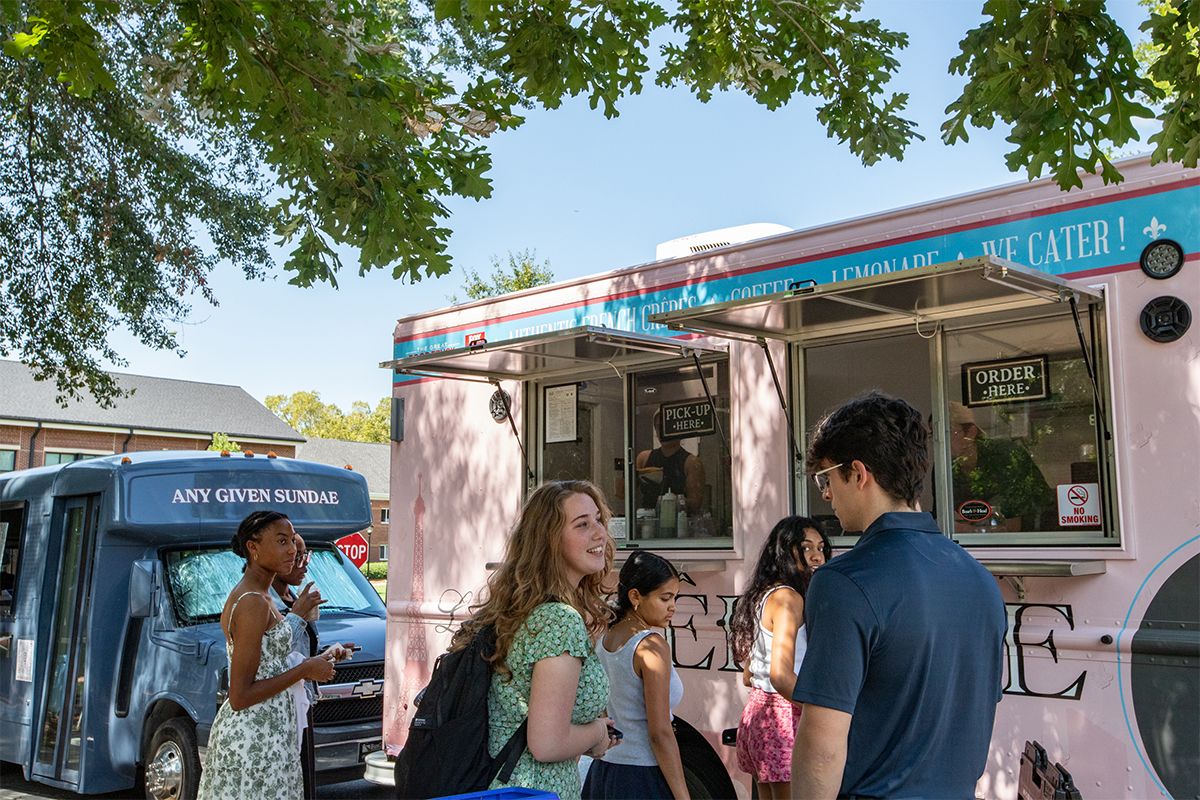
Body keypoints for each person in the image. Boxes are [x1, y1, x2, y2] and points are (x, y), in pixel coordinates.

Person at [790, 392, 1007, 800]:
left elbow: (821, 748)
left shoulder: (843, 582)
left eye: (826, 478)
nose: (825, 494)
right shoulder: (979, 579)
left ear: (858, 473)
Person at [451, 480, 621, 800]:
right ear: (550, 541)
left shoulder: (528, 610)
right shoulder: (558, 620)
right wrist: (597, 733)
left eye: (598, 519)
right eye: (582, 524)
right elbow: (546, 744)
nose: (600, 533)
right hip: (533, 791)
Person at [197, 511, 338, 800]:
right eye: (282, 541)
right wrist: (305, 669)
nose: (292, 550)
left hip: (273, 736)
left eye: (293, 541)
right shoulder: (252, 602)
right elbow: (240, 696)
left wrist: (315, 661)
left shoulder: (264, 596)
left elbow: (270, 662)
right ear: (253, 547)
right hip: (253, 742)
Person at [729, 517, 829, 800]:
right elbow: (781, 675)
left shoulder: (767, 593)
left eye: (821, 547)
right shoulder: (789, 599)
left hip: (759, 714)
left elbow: (750, 674)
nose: (817, 555)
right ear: (785, 550)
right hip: (784, 717)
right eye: (806, 547)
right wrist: (822, 709)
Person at [584, 551, 688, 800]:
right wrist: (684, 796)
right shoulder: (651, 646)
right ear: (635, 596)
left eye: (675, 597)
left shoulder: (606, 638)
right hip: (642, 775)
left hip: (605, 771)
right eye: (665, 598)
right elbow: (660, 732)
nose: (673, 606)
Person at [270, 534, 353, 800]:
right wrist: (296, 614)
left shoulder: (292, 595)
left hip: (302, 704)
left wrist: (326, 656)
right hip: (280, 709)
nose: (304, 564)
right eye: (297, 557)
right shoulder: (264, 602)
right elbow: (272, 655)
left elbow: (298, 654)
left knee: (304, 783)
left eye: (306, 556)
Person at [949, 402, 1055, 531]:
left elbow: (1010, 528)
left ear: (971, 433)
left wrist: (967, 530)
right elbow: (939, 521)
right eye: (935, 433)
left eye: (948, 431)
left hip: (1040, 540)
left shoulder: (1004, 456)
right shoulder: (945, 467)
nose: (941, 440)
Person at [636, 408, 706, 514]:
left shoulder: (691, 463)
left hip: (678, 524)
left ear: (679, 429)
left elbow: (695, 505)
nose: (663, 432)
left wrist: (675, 500)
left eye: (668, 426)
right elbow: (622, 493)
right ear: (655, 429)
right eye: (659, 427)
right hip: (646, 522)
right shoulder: (643, 458)